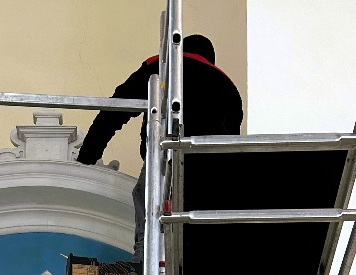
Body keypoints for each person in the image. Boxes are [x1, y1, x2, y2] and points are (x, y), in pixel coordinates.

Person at [76, 35, 243, 262]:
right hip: (211, 166)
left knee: (151, 211)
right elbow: (233, 143)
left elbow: (115, 110)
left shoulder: (161, 66)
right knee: (198, 227)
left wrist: (88, 155)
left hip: (165, 156)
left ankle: (145, 264)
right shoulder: (229, 88)